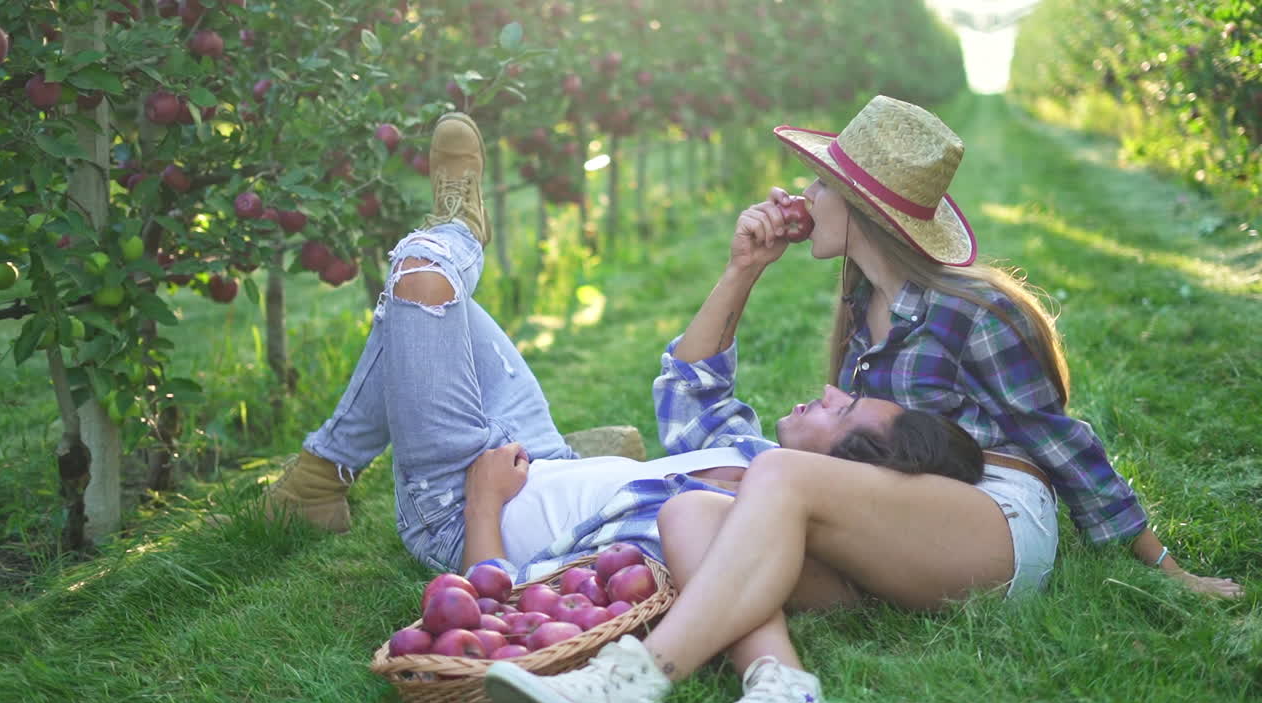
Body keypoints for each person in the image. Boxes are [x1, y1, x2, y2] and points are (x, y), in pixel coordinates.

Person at [482, 95, 1243, 703]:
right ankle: (780, 692)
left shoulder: (975, 310)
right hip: (902, 536)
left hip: (994, 523)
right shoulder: (860, 310)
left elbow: (1063, 443)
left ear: (859, 206)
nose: (802, 197)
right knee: (691, 515)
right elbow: (696, 416)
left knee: (779, 472)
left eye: (818, 185)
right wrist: (746, 266)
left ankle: (632, 684)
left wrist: (1169, 570)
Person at [245, 111, 983, 579]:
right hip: (543, 460)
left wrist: (480, 503)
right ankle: (320, 479)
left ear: (843, 474)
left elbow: (499, 605)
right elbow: (689, 386)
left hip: (462, 502)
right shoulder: (759, 462)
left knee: (424, 282)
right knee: (424, 317)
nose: (829, 387)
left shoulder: (716, 534)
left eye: (843, 410)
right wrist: (744, 267)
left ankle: (458, 233)